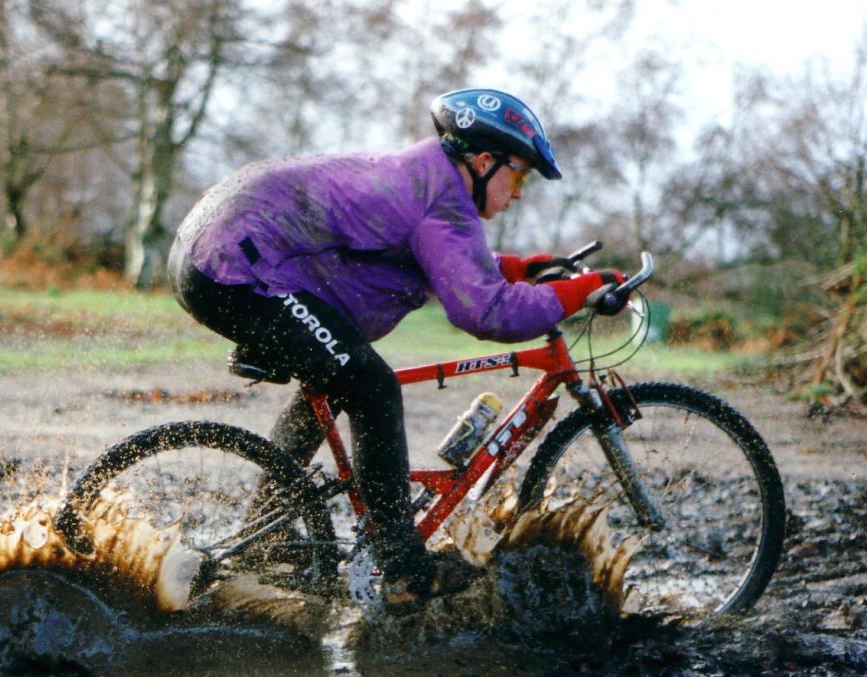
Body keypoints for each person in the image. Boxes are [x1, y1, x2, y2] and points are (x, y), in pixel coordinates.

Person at [168, 88, 625, 610]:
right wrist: (577, 292)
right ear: (482, 161)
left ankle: (266, 527)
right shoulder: (443, 199)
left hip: (216, 253)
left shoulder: (430, 178)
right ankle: (405, 570)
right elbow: (485, 311)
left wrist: (521, 269)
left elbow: (447, 257)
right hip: (234, 267)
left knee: (339, 372)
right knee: (373, 387)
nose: (518, 192)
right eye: (518, 176)